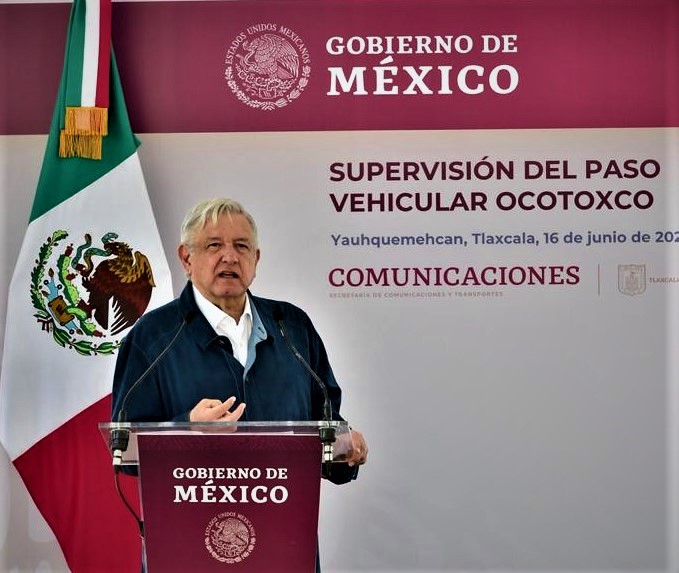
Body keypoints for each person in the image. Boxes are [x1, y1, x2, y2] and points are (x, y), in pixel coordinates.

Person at [111, 197, 367, 569]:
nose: (229, 257)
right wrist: (186, 431)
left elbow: (326, 429)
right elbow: (123, 449)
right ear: (186, 258)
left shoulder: (293, 328)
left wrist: (345, 450)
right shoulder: (153, 337)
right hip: (187, 551)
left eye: (241, 246)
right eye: (214, 245)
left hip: (283, 549)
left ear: (256, 260)